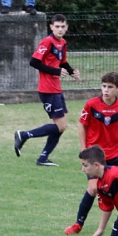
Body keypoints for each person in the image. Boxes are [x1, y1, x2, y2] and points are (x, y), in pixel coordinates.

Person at [65, 73, 118, 236]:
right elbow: (82, 125)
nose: (106, 90)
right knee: (93, 188)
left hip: (116, 155)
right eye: (104, 86)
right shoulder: (91, 104)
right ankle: (78, 224)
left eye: (110, 87)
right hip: (95, 156)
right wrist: (84, 151)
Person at [14, 14, 80, 166]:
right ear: (51, 27)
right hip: (47, 89)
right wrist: (55, 71)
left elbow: (62, 62)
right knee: (61, 126)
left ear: (66, 27)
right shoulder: (47, 41)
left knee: (61, 127)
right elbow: (34, 62)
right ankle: (24, 135)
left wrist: (72, 72)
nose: (60, 29)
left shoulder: (63, 43)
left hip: (56, 88)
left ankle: (43, 158)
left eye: (62, 27)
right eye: (57, 26)